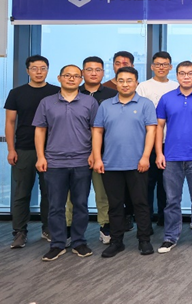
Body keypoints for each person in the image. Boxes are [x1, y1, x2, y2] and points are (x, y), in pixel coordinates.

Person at [34, 65, 99, 261]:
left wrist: (94, 154)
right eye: (67, 75)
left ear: (81, 79)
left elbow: (95, 130)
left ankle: (79, 242)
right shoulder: (47, 102)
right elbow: (40, 130)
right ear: (59, 78)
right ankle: (57, 244)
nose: (71, 79)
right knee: (55, 206)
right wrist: (41, 156)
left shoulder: (90, 102)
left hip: (82, 161)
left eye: (75, 76)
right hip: (54, 162)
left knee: (80, 204)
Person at [91, 66, 157, 257]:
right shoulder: (105, 105)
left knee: (140, 203)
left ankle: (144, 240)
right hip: (111, 164)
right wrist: (97, 158)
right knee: (115, 205)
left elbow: (151, 131)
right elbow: (97, 132)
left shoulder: (145, 104)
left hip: (138, 164)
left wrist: (145, 157)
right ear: (116, 82)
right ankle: (116, 241)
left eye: (129, 80)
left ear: (136, 83)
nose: (125, 84)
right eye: (121, 80)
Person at [155, 61, 192, 253]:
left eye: (190, 73)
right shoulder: (166, 98)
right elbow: (159, 127)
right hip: (171, 157)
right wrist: (159, 153)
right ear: (177, 76)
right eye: (182, 73)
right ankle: (170, 237)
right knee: (172, 200)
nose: (186, 76)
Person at [6, 55, 60, 249]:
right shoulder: (16, 93)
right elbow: (10, 122)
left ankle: (48, 228)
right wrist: (11, 149)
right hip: (24, 149)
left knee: (50, 192)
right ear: (27, 71)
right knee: (21, 193)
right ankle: (19, 232)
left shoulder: (56, 92)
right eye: (34, 68)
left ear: (48, 70)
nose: (39, 72)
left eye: (43, 68)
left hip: (52, 149)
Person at [71, 56, 119, 245]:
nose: (93, 73)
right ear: (82, 73)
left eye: (98, 70)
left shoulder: (112, 94)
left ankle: (105, 227)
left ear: (103, 72)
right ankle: (71, 230)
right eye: (89, 69)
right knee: (75, 195)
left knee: (104, 194)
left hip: (105, 153)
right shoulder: (73, 92)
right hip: (77, 152)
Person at [136, 51, 179, 227]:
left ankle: (165, 219)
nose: (161, 67)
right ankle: (145, 223)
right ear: (152, 67)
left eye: (165, 64)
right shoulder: (143, 87)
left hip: (170, 142)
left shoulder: (176, 86)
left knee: (167, 184)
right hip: (147, 143)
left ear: (170, 67)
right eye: (158, 64)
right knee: (146, 184)